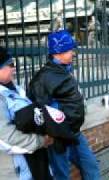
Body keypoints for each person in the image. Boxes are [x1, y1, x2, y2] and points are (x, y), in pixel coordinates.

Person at [27, 30, 100, 180]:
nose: (73, 53)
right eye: (69, 50)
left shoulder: (65, 70)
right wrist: (52, 133)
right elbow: (39, 110)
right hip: (58, 138)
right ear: (58, 52)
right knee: (62, 175)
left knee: (90, 165)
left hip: (74, 133)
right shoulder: (43, 78)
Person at [0, 47, 53, 180]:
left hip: (36, 163)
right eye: (10, 64)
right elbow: (5, 138)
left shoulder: (15, 88)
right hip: (19, 171)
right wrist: (41, 141)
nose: (14, 68)